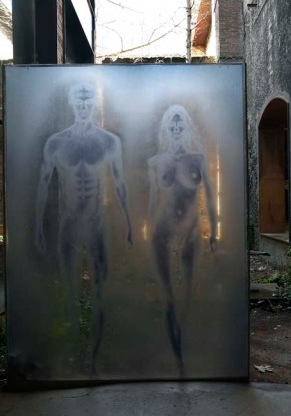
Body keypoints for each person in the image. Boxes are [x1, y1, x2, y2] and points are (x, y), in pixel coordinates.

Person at [34, 83, 132, 373]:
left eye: (89, 101)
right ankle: (76, 349)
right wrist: (37, 226)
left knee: (101, 292)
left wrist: (127, 221)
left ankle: (96, 354)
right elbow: (43, 184)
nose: (84, 105)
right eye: (79, 100)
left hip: (98, 224)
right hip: (69, 226)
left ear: (95, 104)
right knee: (70, 291)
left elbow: (120, 182)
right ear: (72, 103)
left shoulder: (108, 142)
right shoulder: (56, 143)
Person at [147, 104, 217, 375]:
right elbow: (153, 202)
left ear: (186, 128)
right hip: (162, 235)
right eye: (172, 126)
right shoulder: (155, 162)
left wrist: (213, 232)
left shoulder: (197, 160)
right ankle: (175, 354)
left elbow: (210, 197)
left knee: (188, 294)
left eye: (180, 125)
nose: (176, 130)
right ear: (166, 129)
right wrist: (147, 235)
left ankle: (185, 348)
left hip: (191, 233)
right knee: (169, 297)